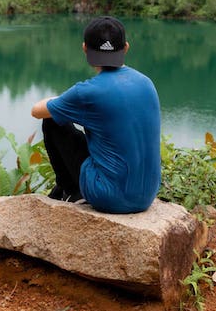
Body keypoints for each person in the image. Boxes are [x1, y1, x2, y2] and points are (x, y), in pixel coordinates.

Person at [31, 16, 161, 214]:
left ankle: (72, 192)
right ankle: (67, 190)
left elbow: (37, 111)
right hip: (146, 196)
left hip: (109, 198)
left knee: (52, 121)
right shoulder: (146, 83)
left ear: (84, 48)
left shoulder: (87, 92)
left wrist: (63, 99)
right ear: (126, 48)